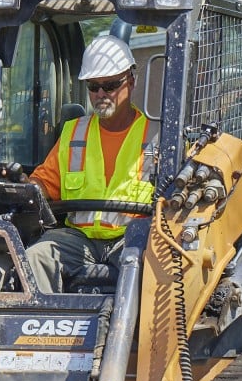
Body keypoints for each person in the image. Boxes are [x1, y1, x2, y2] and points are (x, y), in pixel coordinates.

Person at [26, 35, 156, 293]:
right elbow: (44, 183)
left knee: (150, 266)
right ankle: (41, 330)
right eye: (93, 86)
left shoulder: (157, 136)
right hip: (79, 239)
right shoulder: (74, 133)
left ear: (131, 80)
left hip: (131, 240)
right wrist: (27, 188)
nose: (100, 94)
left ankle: (136, 332)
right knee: (36, 256)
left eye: (109, 85)